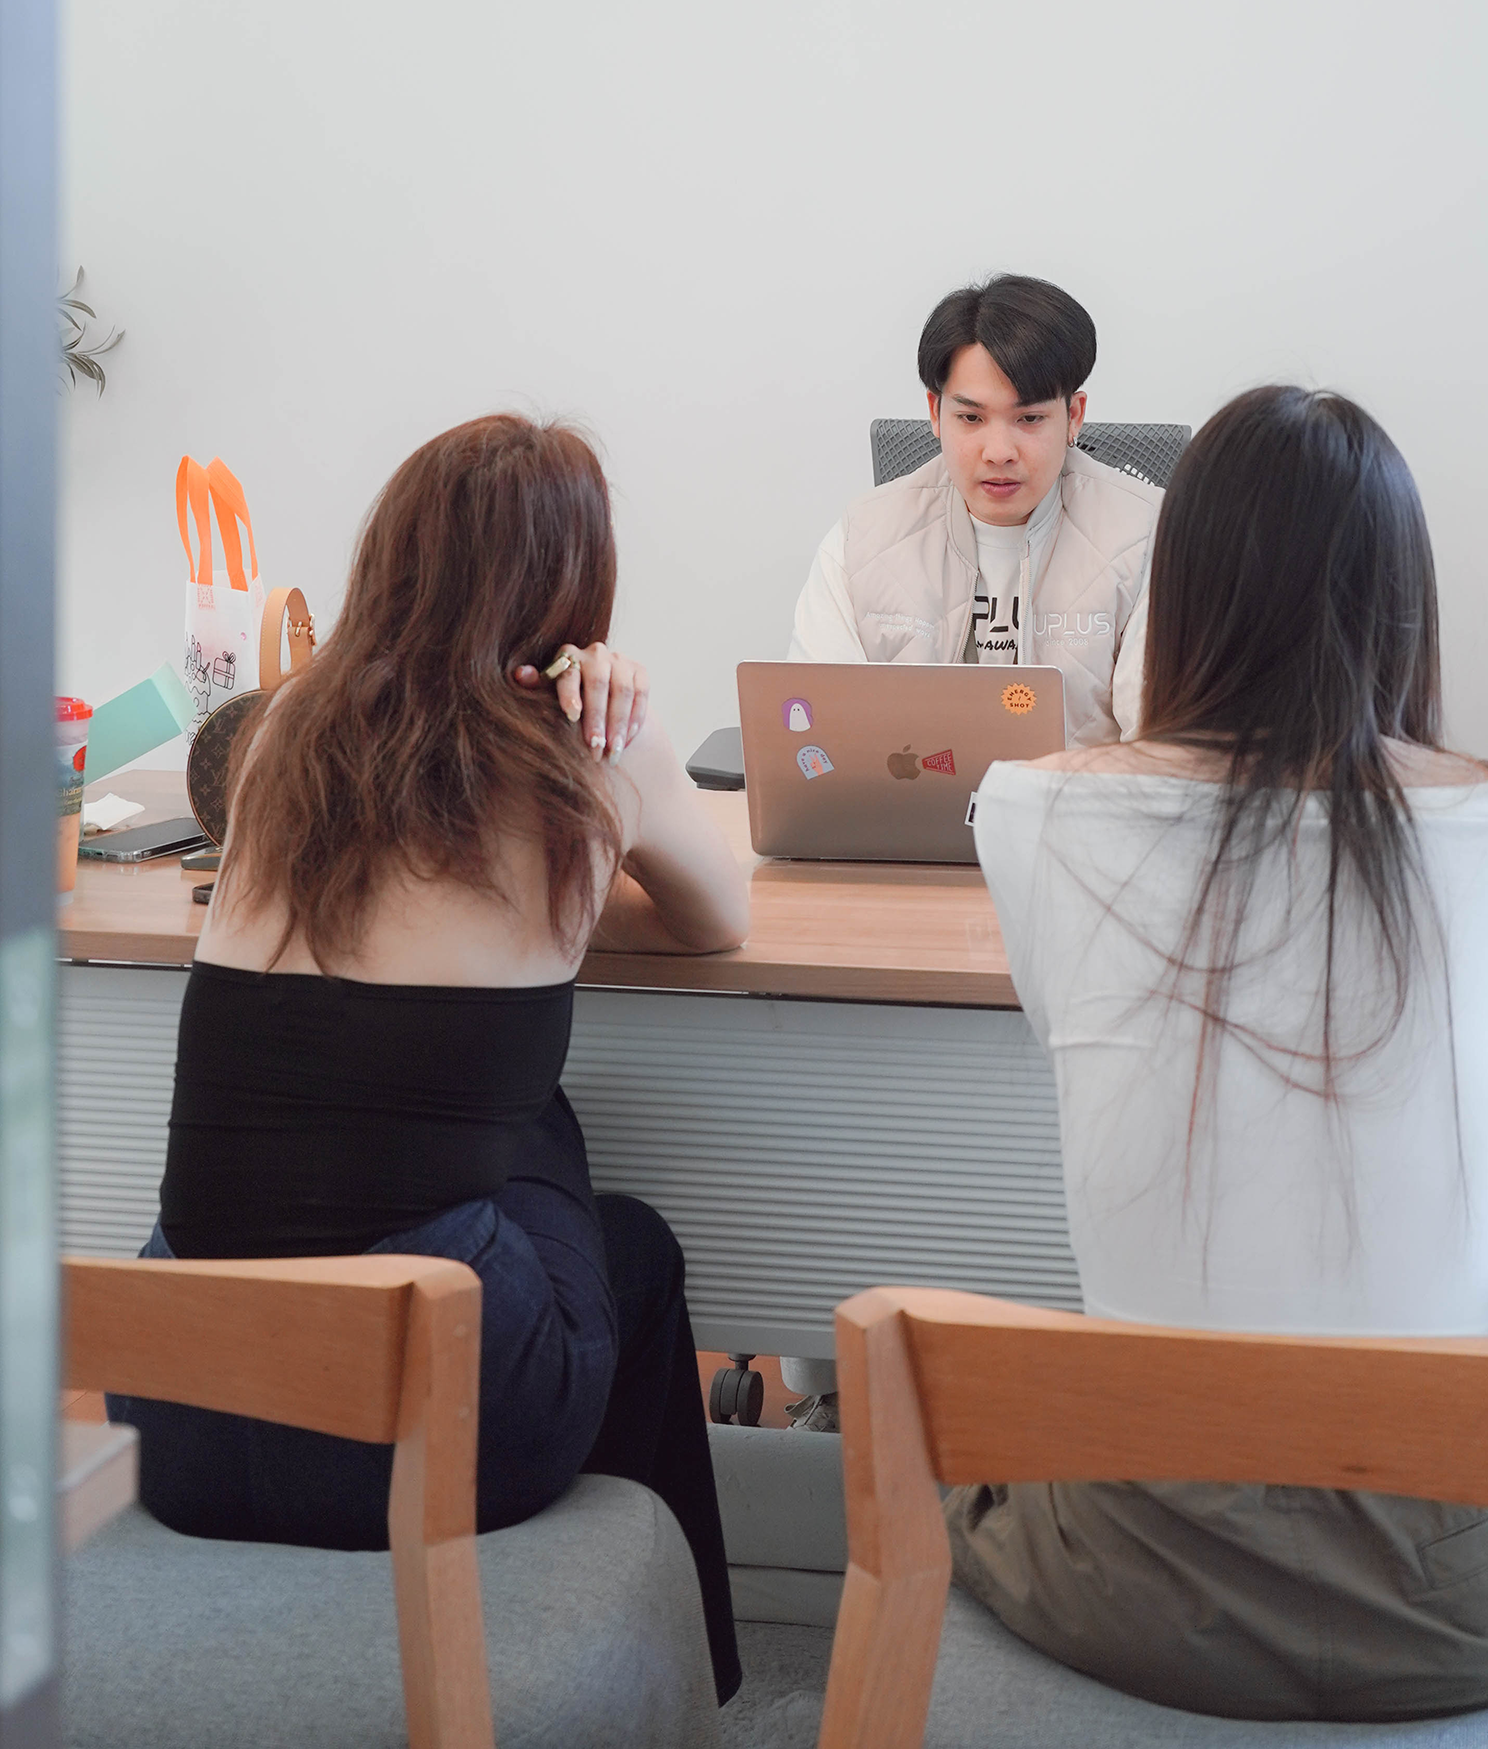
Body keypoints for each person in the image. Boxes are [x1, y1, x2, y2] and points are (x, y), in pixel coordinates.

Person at [948, 385, 1488, 1723]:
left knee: (963, 1467)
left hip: (1136, 1579)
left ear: (1184, 591)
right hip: (1465, 1592)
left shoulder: (1029, 810)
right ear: (1404, 600)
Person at [112, 415, 750, 1704]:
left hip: (181, 1412)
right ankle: (666, 1678)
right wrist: (588, 841)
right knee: (595, 1202)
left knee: (454, 1118)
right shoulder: (588, 753)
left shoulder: (280, 737)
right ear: (573, 584)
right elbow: (715, 917)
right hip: (421, 1433)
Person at [790, 273, 1159, 745]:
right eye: (970, 417)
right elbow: (819, 737)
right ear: (934, 412)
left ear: (1073, 416)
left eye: (1029, 418)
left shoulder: (1150, 539)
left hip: (1081, 794)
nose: (998, 452)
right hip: (906, 796)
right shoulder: (860, 540)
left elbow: (1168, 749)